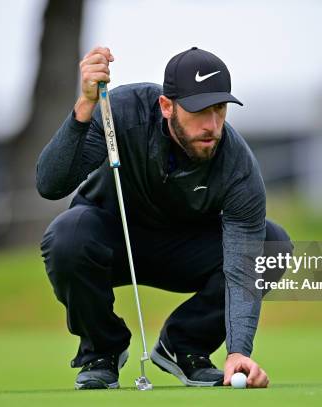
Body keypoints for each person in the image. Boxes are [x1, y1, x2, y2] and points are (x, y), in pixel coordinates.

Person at [37, 46, 293, 390]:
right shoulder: (120, 112)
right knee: (66, 236)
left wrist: (238, 351)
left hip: (183, 249)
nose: (212, 125)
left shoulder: (236, 164)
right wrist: (85, 106)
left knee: (272, 244)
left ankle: (185, 345)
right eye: (200, 111)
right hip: (111, 239)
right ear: (166, 106)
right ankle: (102, 351)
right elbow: (50, 185)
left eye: (219, 110)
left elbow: (243, 263)